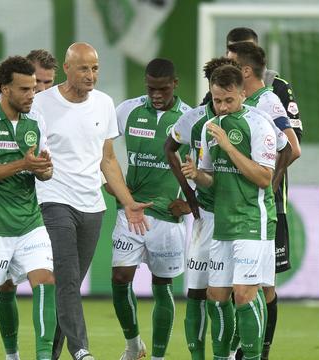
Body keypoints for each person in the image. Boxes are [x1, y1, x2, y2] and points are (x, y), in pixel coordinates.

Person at [33, 42, 151, 360]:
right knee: (67, 278)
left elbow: (108, 160)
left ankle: (50, 355)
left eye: (95, 68)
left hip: (92, 206)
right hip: (53, 200)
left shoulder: (103, 104)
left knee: (69, 285)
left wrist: (127, 202)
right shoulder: (41, 104)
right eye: (84, 68)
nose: (91, 74)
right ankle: (81, 349)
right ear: (67, 68)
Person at [0, 55, 57, 360]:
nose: (33, 95)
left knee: (45, 282)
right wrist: (23, 164)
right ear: (5, 89)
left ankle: (43, 357)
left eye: (34, 88)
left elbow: (44, 171)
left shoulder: (36, 120)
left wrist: (43, 169)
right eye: (25, 89)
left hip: (30, 221)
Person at [182, 65, 278, 360]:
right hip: (222, 221)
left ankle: (252, 356)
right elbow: (212, 177)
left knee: (244, 294)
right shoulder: (210, 126)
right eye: (216, 100)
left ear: (241, 93)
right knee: (216, 297)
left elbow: (264, 177)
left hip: (252, 219)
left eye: (228, 100)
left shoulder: (260, 124)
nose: (222, 107)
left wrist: (228, 145)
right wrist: (197, 175)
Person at [109, 58, 191, 360]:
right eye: (151, 88)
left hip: (168, 218)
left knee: (162, 284)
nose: (156, 94)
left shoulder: (189, 118)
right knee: (120, 279)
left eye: (163, 89)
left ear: (175, 84)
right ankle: (133, 346)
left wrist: (191, 201)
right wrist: (110, 182)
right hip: (130, 211)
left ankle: (157, 356)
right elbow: (100, 148)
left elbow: (207, 164)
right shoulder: (127, 110)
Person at [226, 40, 302, 359]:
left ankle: (257, 352)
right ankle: (242, 350)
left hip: (260, 211)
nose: (224, 67)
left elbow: (293, 148)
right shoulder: (238, 100)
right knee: (242, 285)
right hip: (236, 208)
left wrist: (269, 184)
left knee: (260, 286)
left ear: (245, 69)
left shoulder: (267, 101)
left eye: (230, 62)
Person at [165, 57, 239, 360]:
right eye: (214, 88)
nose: (219, 99)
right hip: (204, 217)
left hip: (237, 216)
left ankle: (233, 352)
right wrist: (190, 196)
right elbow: (169, 149)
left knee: (233, 293)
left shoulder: (248, 119)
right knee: (196, 293)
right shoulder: (195, 120)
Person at [0, 48, 57, 360]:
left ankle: (54, 353)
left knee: (49, 281)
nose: (41, 90)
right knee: (5, 285)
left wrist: (47, 170)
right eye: (35, 83)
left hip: (54, 208)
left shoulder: (61, 108)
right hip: (10, 210)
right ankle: (11, 354)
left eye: (47, 83)